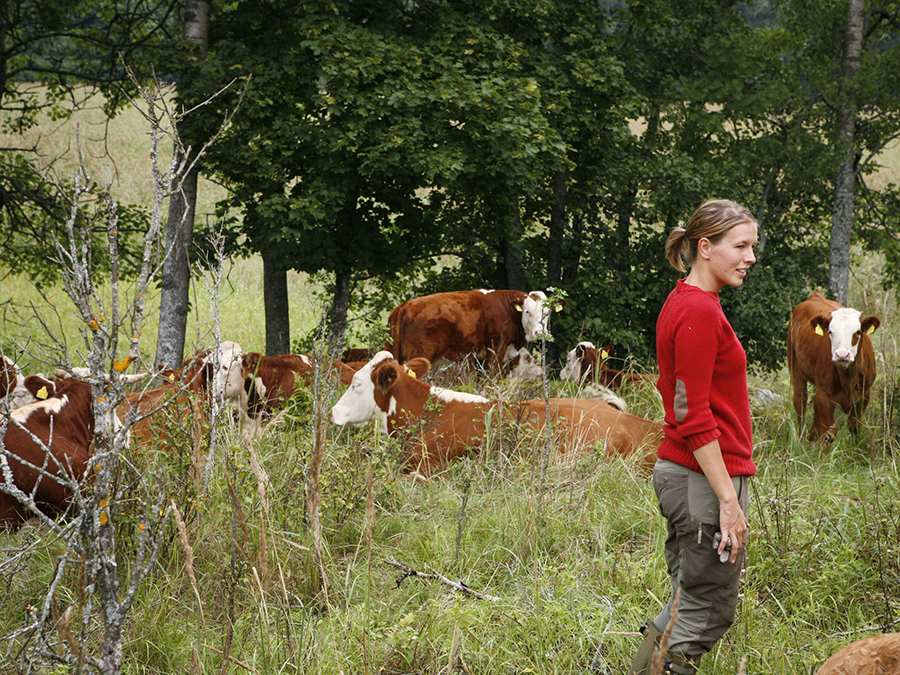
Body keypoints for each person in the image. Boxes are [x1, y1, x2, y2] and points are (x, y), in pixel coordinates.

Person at [629, 199, 758, 675]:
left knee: (689, 598)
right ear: (705, 247)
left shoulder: (687, 300)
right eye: (740, 246)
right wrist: (729, 500)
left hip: (691, 475)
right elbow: (692, 414)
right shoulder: (698, 310)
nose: (749, 258)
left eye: (752, 247)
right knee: (705, 611)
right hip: (702, 479)